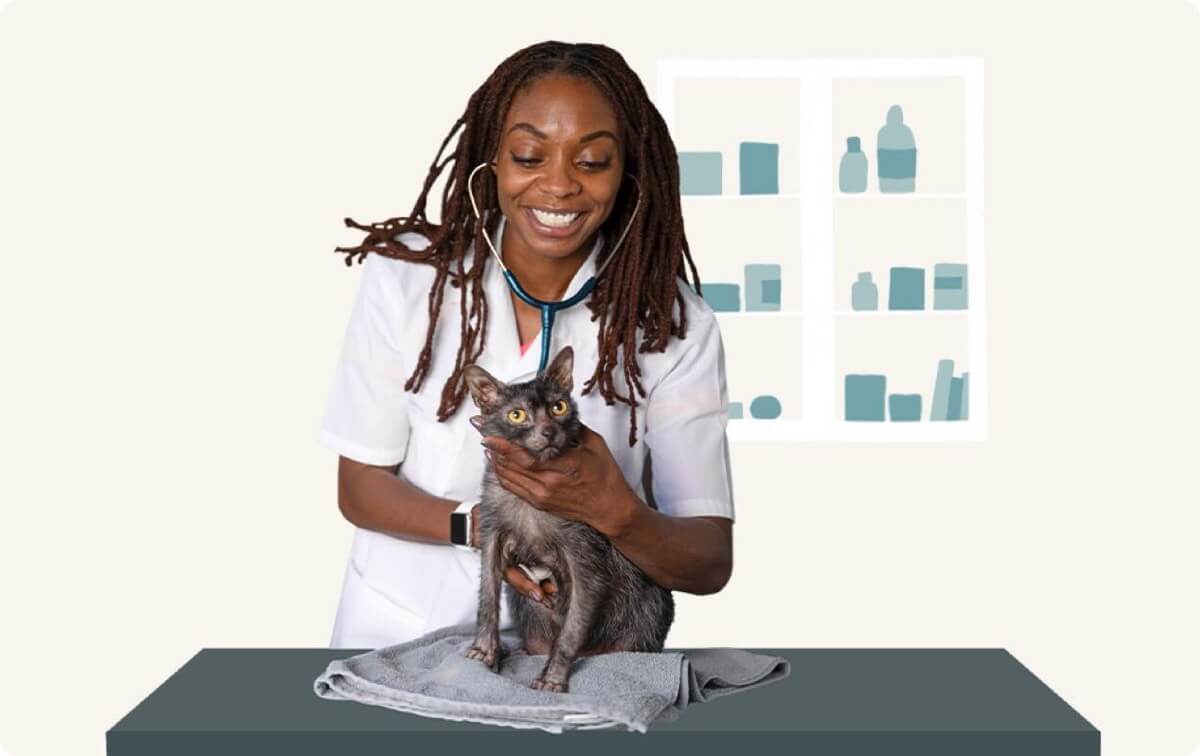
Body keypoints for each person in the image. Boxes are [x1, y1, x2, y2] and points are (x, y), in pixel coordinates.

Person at [319, 41, 735, 650]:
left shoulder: (672, 326)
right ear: (493, 158)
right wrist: (484, 528)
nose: (559, 185)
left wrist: (615, 511)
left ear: (628, 175)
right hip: (399, 631)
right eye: (529, 154)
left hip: (577, 658)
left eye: (592, 161)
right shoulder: (407, 280)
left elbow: (706, 560)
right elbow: (359, 485)